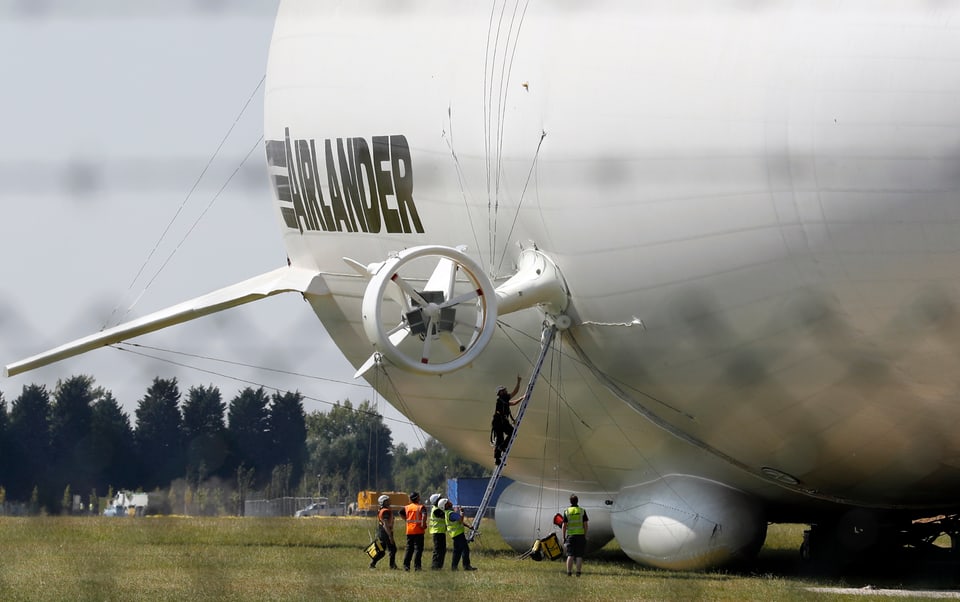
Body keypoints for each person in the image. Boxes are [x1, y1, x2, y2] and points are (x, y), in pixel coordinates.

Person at [491, 375, 523, 464]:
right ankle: (503, 446)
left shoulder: (501, 401)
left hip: (497, 422)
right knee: (512, 432)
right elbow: (515, 392)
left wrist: (521, 398)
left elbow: (513, 403)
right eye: (504, 390)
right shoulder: (503, 398)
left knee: (499, 439)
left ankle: (497, 459)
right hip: (501, 421)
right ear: (501, 392)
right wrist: (519, 382)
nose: (506, 391)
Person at [443, 498, 477, 571]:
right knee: (465, 549)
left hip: (455, 535)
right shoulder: (451, 513)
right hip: (458, 535)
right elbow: (460, 520)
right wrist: (462, 512)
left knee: (457, 551)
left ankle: (454, 567)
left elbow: (459, 522)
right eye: (448, 502)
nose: (450, 502)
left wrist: (468, 526)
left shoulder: (448, 513)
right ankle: (466, 566)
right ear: (445, 505)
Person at [562, 494, 589, 577]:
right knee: (579, 555)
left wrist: (563, 536)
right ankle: (578, 573)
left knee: (570, 555)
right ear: (577, 501)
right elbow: (585, 524)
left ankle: (569, 572)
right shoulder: (582, 510)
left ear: (570, 501)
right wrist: (585, 534)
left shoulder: (567, 511)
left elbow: (564, 525)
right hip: (580, 535)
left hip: (570, 535)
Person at [369, 494, 398, 570]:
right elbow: (385, 524)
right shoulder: (385, 511)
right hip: (386, 532)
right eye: (387, 501)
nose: (389, 502)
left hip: (381, 532)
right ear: (383, 502)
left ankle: (373, 563)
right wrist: (390, 536)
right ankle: (392, 566)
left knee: (382, 552)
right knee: (393, 549)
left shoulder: (381, 510)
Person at [402, 491, 427, 571]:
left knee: (409, 549)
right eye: (419, 496)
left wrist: (406, 520)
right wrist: (423, 524)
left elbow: (400, 513)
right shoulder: (420, 507)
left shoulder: (407, 507)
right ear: (417, 498)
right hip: (418, 531)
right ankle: (417, 567)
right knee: (418, 549)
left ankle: (406, 566)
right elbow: (424, 515)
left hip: (409, 531)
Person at [427, 493, 447, 570]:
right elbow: (445, 516)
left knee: (442, 550)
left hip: (440, 532)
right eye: (440, 498)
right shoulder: (436, 510)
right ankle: (435, 566)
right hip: (437, 532)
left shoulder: (438, 509)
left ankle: (439, 566)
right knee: (438, 550)